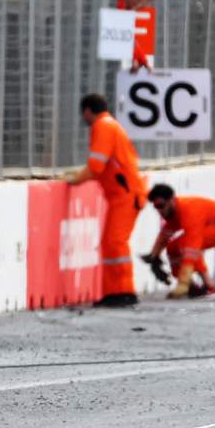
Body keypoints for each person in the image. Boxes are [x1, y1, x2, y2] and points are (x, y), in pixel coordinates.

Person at [66, 92, 146, 306]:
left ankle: (122, 292)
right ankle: (118, 291)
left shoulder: (103, 126)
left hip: (125, 193)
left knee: (115, 242)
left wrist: (75, 180)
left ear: (87, 111)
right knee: (112, 242)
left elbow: (96, 166)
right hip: (124, 193)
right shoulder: (110, 125)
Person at [144, 184, 215, 299]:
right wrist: (153, 257)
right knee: (172, 247)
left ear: (171, 200)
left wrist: (183, 282)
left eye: (161, 206)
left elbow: (192, 247)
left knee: (187, 245)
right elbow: (164, 236)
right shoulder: (174, 211)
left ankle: (209, 286)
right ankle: (192, 287)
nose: (159, 211)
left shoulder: (188, 210)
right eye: (156, 207)